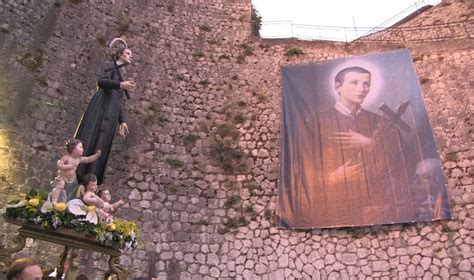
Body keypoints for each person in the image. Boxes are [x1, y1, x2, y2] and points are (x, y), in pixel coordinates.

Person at [75, 47, 136, 185]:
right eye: (127, 53)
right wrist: (120, 84)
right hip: (101, 106)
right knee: (91, 137)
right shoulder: (109, 65)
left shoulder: (121, 74)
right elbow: (101, 81)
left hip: (111, 113)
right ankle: (79, 173)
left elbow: (118, 100)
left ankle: (91, 179)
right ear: (120, 55)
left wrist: (122, 121)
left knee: (102, 143)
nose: (130, 56)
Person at [49, 139, 101, 204]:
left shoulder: (79, 159)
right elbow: (59, 166)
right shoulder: (66, 157)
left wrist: (96, 155)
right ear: (73, 149)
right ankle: (54, 201)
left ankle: (69, 203)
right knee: (60, 186)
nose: (83, 150)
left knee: (74, 191)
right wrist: (67, 167)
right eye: (81, 147)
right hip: (62, 176)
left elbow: (89, 159)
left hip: (72, 178)